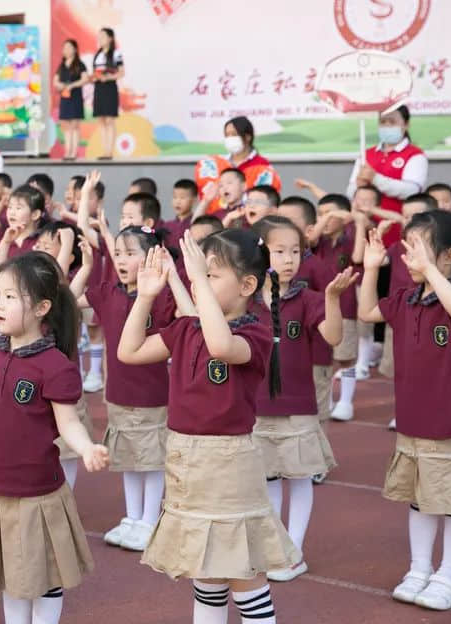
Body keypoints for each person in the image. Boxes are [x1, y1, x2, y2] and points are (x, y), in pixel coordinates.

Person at [118, 231, 298, 624]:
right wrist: (147, 295)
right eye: (203, 274)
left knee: (244, 574)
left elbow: (221, 345)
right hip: (184, 460)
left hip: (228, 464)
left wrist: (193, 281)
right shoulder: (187, 329)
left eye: (213, 275)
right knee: (206, 575)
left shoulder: (254, 333)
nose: (202, 280)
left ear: (247, 285)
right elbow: (128, 351)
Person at [0, 250, 108, 624]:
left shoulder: (55, 366)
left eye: (10, 297)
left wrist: (86, 448)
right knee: (11, 576)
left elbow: (67, 422)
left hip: (36, 492)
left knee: (44, 574)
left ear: (41, 308)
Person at [359, 212, 451, 611]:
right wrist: (372, 270)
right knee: (421, 500)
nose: (408, 259)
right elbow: (368, 312)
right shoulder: (405, 299)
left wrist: (432, 273)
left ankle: (450, 576)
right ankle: (420, 568)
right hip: (413, 422)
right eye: (406, 250)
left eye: (417, 249)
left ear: (449, 255)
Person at [70, 226, 184, 552]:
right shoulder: (108, 292)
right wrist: (87, 267)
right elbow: (66, 300)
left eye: (130, 253)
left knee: (151, 459)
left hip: (153, 395)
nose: (121, 259)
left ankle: (150, 520)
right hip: (118, 393)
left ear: (150, 257)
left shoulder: (162, 297)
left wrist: (169, 276)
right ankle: (133, 518)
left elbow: (189, 320)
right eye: (117, 253)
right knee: (128, 459)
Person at [252, 216, 346, 581]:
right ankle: (276, 548)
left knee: (301, 478)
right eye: (279, 251)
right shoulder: (247, 300)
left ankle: (295, 551)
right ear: (261, 254)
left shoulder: (308, 298)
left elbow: (334, 337)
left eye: (295, 251)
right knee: (268, 480)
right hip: (256, 408)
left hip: (298, 410)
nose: (289, 259)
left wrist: (333, 299)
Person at [346, 105, 427, 246]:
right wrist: (358, 185)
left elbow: (411, 190)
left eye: (392, 122)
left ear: (406, 124)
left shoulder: (415, 155)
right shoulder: (366, 154)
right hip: (365, 230)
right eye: (383, 122)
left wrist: (375, 179)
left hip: (397, 228)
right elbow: (350, 192)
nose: (387, 125)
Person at [92, 27, 123, 157]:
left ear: (110, 38)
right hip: (99, 88)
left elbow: (121, 72)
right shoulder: (97, 54)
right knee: (101, 119)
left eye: (103, 36)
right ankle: (104, 150)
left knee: (110, 120)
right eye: (99, 36)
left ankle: (110, 151)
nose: (100, 39)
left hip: (110, 87)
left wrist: (108, 77)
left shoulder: (116, 53)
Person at [54, 39, 87, 159]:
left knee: (75, 125)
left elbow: (85, 78)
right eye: (64, 47)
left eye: (69, 47)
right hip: (65, 97)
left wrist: (72, 85)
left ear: (75, 49)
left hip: (76, 97)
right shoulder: (62, 65)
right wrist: (61, 86)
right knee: (66, 126)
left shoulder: (79, 64)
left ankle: (74, 151)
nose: (66, 50)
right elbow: (55, 81)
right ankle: (67, 151)